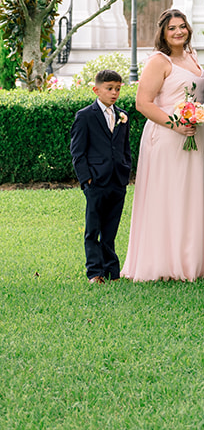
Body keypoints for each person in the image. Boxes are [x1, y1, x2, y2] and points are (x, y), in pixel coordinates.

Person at [123, 7, 204, 281]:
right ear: (163, 32)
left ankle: (192, 261)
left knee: (192, 196)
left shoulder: (194, 57)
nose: (178, 32)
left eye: (182, 26)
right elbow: (143, 103)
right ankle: (164, 263)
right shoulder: (158, 61)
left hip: (196, 137)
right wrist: (175, 124)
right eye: (172, 28)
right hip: (167, 138)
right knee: (169, 197)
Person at [70, 69, 132, 283]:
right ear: (96, 90)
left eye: (117, 89)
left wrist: (126, 169)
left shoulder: (123, 115)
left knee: (111, 229)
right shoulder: (85, 116)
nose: (114, 93)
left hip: (118, 180)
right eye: (109, 89)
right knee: (93, 229)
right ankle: (95, 272)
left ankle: (112, 271)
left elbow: (125, 148)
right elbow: (78, 152)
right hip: (96, 181)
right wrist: (86, 179)